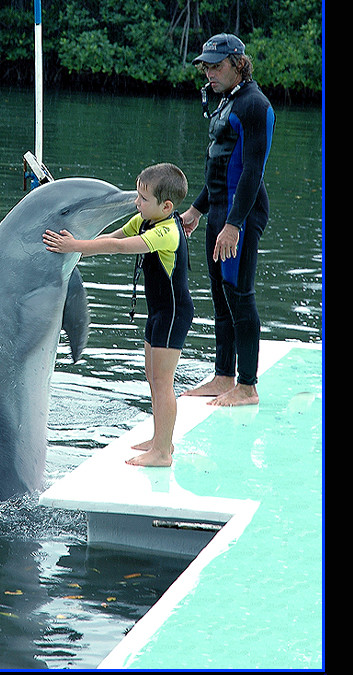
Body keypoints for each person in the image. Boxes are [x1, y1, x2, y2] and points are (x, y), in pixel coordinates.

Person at [43, 163, 193, 467]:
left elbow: (118, 246)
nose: (136, 203)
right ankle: (159, 438)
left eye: (143, 199)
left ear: (166, 206)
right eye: (137, 196)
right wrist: (77, 251)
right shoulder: (146, 220)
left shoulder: (166, 232)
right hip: (159, 312)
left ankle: (162, 452)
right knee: (153, 378)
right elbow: (113, 234)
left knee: (163, 382)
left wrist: (74, 245)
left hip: (173, 314)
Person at [181, 33, 275, 406]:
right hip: (219, 210)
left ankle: (248, 385)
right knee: (220, 295)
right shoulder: (226, 102)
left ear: (238, 63)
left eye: (217, 66)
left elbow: (252, 171)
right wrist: (197, 209)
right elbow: (219, 167)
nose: (210, 73)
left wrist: (233, 225)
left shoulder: (255, 105)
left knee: (239, 294)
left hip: (242, 212)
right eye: (206, 67)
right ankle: (223, 377)